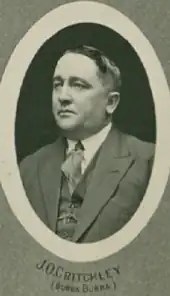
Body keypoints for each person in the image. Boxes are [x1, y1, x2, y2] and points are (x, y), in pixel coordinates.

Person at [20, 45, 154, 243]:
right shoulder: (28, 169)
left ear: (111, 103)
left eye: (78, 85)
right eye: (58, 84)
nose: (63, 96)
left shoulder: (149, 162)